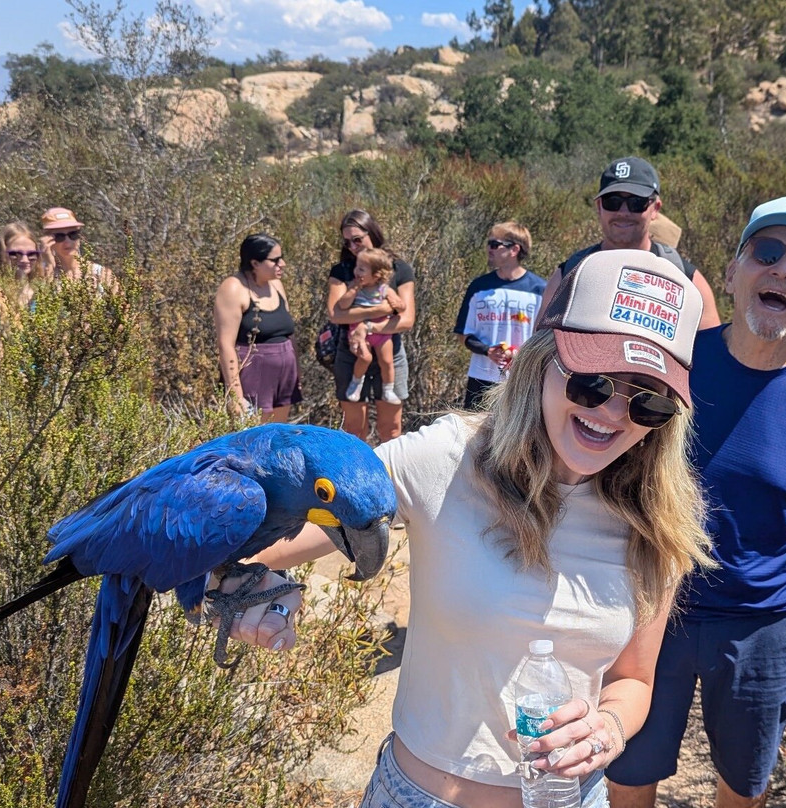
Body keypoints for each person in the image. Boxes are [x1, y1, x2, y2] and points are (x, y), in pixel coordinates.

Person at [247, 248, 716, 808]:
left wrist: (608, 728)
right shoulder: (447, 459)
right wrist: (241, 586)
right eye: (594, 383)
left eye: (648, 403)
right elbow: (265, 542)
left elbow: (634, 679)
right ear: (543, 359)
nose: (613, 413)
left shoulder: (658, 521)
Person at [606, 195, 786, 808]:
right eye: (767, 252)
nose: (784, 269)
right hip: (653, 606)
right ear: (731, 274)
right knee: (627, 774)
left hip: (767, 623)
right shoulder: (671, 366)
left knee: (743, 785)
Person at [538, 156, 721, 331]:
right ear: (599, 207)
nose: (623, 212)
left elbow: (710, 352)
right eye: (613, 202)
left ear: (655, 208)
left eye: (636, 203)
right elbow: (538, 350)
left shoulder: (686, 279)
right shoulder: (569, 274)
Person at [327, 209, 416, 443]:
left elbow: (406, 320)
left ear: (373, 233)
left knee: (392, 430)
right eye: (347, 242)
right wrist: (383, 311)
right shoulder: (343, 271)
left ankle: (389, 477)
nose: (353, 246)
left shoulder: (399, 269)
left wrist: (367, 325)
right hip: (352, 352)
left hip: (389, 350)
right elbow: (336, 314)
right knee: (354, 431)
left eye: (357, 239)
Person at [453, 221, 546, 410]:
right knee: (474, 433)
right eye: (489, 244)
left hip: (521, 379)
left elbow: (545, 338)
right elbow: (463, 335)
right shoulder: (479, 287)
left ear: (514, 250)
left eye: (495, 245)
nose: (489, 249)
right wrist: (488, 351)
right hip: (481, 377)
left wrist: (520, 356)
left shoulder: (540, 290)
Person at [214, 233, 303, 422]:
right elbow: (226, 345)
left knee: (277, 435)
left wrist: (297, 374)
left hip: (284, 375)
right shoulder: (233, 288)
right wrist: (236, 396)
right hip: (253, 375)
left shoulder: (276, 285)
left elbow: (289, 333)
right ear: (255, 263)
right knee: (252, 439)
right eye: (275, 260)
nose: (283, 264)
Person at [337, 247, 407, 404]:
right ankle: (356, 383)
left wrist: (397, 304)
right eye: (356, 266)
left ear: (376, 275)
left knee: (387, 361)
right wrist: (353, 290)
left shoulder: (385, 290)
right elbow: (342, 305)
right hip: (357, 331)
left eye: (361, 269)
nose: (356, 271)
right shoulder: (355, 288)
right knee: (365, 357)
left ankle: (388, 389)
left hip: (382, 332)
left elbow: (402, 307)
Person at [0, 222, 49, 353]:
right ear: (1, 254)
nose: (25, 260)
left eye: (31, 254)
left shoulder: (44, 295)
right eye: (15, 254)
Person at [39, 207, 116, 292]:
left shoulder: (101, 273)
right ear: (47, 239)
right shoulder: (40, 274)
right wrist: (49, 263)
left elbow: (122, 303)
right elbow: (42, 299)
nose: (67, 242)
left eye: (73, 234)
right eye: (59, 236)